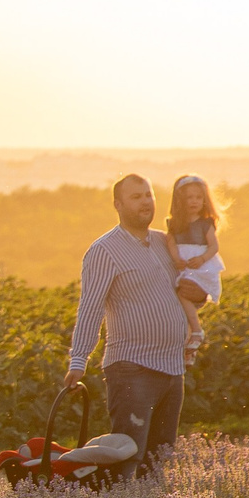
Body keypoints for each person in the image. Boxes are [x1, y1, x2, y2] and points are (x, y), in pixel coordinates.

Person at [63, 174, 191, 471]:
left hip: (172, 369)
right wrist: (78, 360)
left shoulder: (164, 242)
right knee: (127, 460)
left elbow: (183, 292)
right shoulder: (104, 250)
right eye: (136, 197)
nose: (145, 201)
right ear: (118, 205)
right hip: (132, 369)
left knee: (159, 461)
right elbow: (90, 308)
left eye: (148, 195)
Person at [160, 174, 223, 365]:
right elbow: (171, 243)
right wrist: (176, 258)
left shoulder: (206, 223)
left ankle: (196, 330)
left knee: (184, 294)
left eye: (198, 197)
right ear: (180, 200)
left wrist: (202, 258)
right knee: (181, 307)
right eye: (189, 197)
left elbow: (214, 246)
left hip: (200, 268)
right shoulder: (174, 224)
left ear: (204, 200)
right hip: (184, 267)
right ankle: (189, 349)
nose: (194, 201)